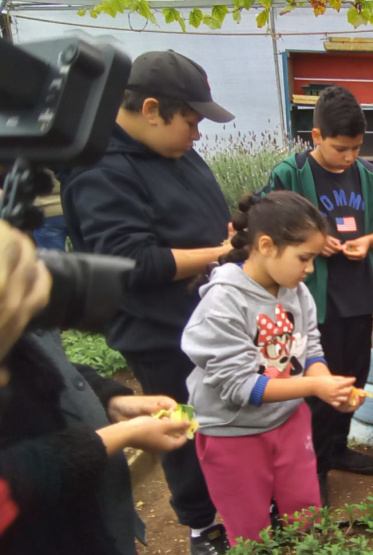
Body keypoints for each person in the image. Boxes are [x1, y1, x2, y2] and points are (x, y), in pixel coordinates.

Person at [61, 50, 235, 553]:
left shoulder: (169, 148)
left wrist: (222, 235)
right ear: (153, 109)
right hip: (160, 332)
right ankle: (203, 525)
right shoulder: (99, 170)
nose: (198, 134)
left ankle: (237, 493)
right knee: (180, 425)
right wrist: (218, 253)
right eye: (192, 121)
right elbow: (129, 260)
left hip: (205, 316)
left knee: (223, 412)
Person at [0, 220, 191, 554]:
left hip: (87, 525)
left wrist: (111, 400)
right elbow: (11, 479)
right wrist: (120, 437)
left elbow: (47, 363)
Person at [181, 191, 361, 545]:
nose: (310, 269)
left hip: (288, 419)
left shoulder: (296, 290)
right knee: (249, 529)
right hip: (233, 432)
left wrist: (329, 386)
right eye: (304, 258)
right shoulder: (225, 301)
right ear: (266, 245)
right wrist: (313, 388)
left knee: (305, 510)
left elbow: (310, 349)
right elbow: (240, 387)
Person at [263, 85, 373, 502]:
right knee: (314, 384)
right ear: (316, 136)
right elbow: (268, 227)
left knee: (351, 377)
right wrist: (312, 240)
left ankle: (336, 449)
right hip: (310, 300)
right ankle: (314, 463)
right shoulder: (289, 174)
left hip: (357, 295)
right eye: (341, 148)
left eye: (357, 148)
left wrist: (368, 241)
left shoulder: (368, 175)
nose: (350, 157)